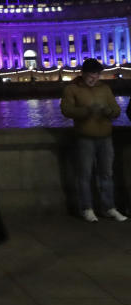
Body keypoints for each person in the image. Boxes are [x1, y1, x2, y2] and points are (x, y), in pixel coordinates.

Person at [60, 58, 126, 222]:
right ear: (83, 74)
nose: (94, 78)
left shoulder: (105, 89)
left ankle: (109, 207)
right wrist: (86, 111)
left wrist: (108, 112)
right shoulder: (72, 89)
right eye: (91, 75)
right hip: (85, 137)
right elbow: (66, 110)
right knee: (85, 175)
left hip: (105, 136)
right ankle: (87, 208)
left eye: (96, 75)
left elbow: (117, 110)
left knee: (106, 174)